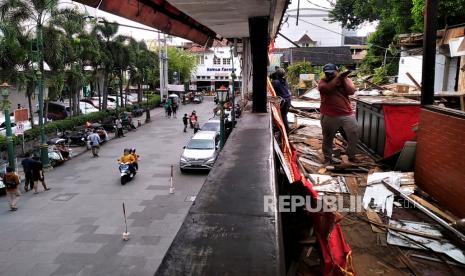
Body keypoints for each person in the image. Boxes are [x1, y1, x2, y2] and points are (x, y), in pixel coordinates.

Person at [318, 63, 358, 164]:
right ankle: (328, 158)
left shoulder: (345, 80)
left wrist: (343, 78)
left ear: (337, 71)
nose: (329, 75)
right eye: (327, 74)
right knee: (328, 138)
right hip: (329, 115)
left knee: (353, 134)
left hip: (347, 114)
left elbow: (351, 91)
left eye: (332, 73)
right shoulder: (323, 82)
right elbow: (327, 89)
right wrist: (339, 77)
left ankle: (351, 155)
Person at [271, 68, 292, 133]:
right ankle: (283, 130)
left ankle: (285, 132)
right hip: (288, 100)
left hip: (283, 101)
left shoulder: (275, 82)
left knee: (282, 117)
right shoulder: (284, 81)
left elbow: (271, 85)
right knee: (284, 116)